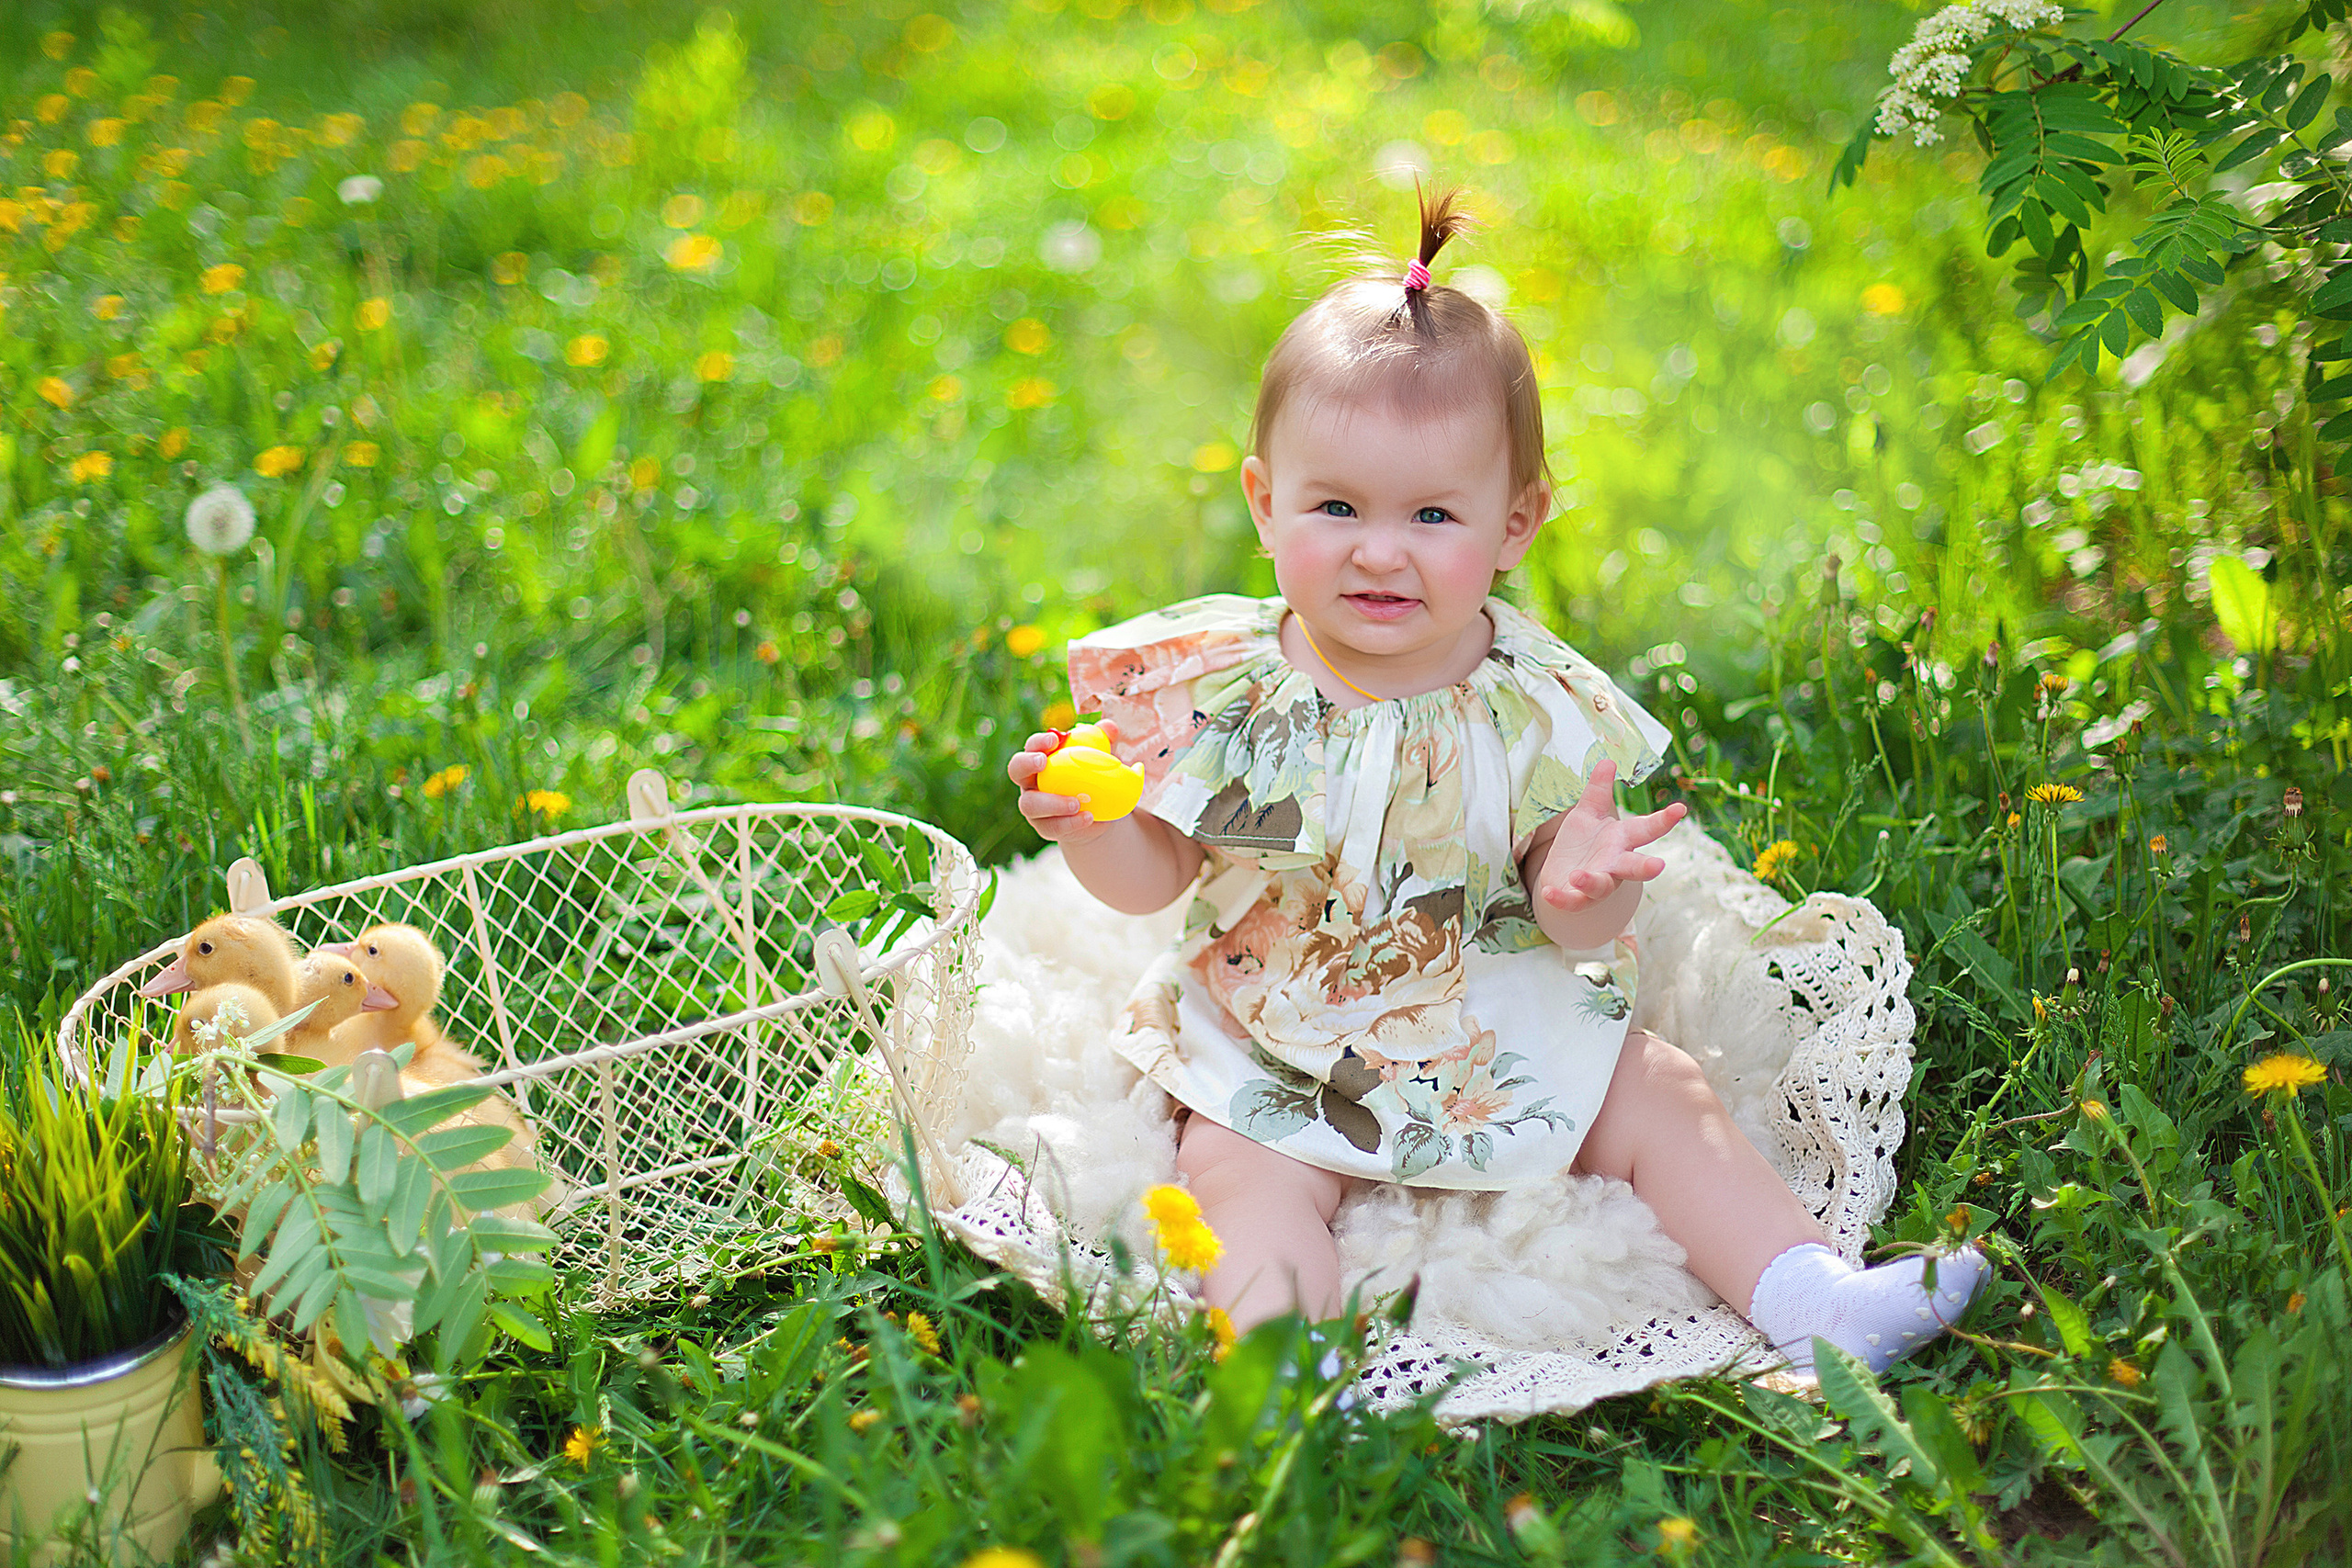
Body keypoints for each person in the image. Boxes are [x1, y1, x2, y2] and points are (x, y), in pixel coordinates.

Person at [1005, 186, 1984, 1378]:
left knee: (1659, 1096)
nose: (1379, 549)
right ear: (1265, 504)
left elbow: (1576, 917)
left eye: (1431, 513)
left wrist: (1584, 885)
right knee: (1237, 1165)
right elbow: (1158, 879)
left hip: (1492, 997)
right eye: (1336, 507)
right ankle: (1290, 1372)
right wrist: (1089, 827)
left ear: (1516, 523)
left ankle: (1811, 1297)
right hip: (1283, 1010)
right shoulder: (1220, 685)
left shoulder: (1535, 701)